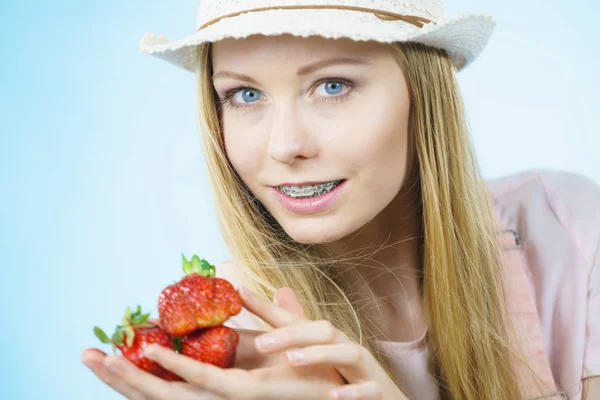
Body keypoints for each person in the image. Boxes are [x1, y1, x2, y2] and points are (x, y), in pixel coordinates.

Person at [81, 0, 600, 399]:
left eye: (332, 85)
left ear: (424, 95)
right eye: (245, 95)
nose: (284, 146)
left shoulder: (568, 225)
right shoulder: (234, 339)